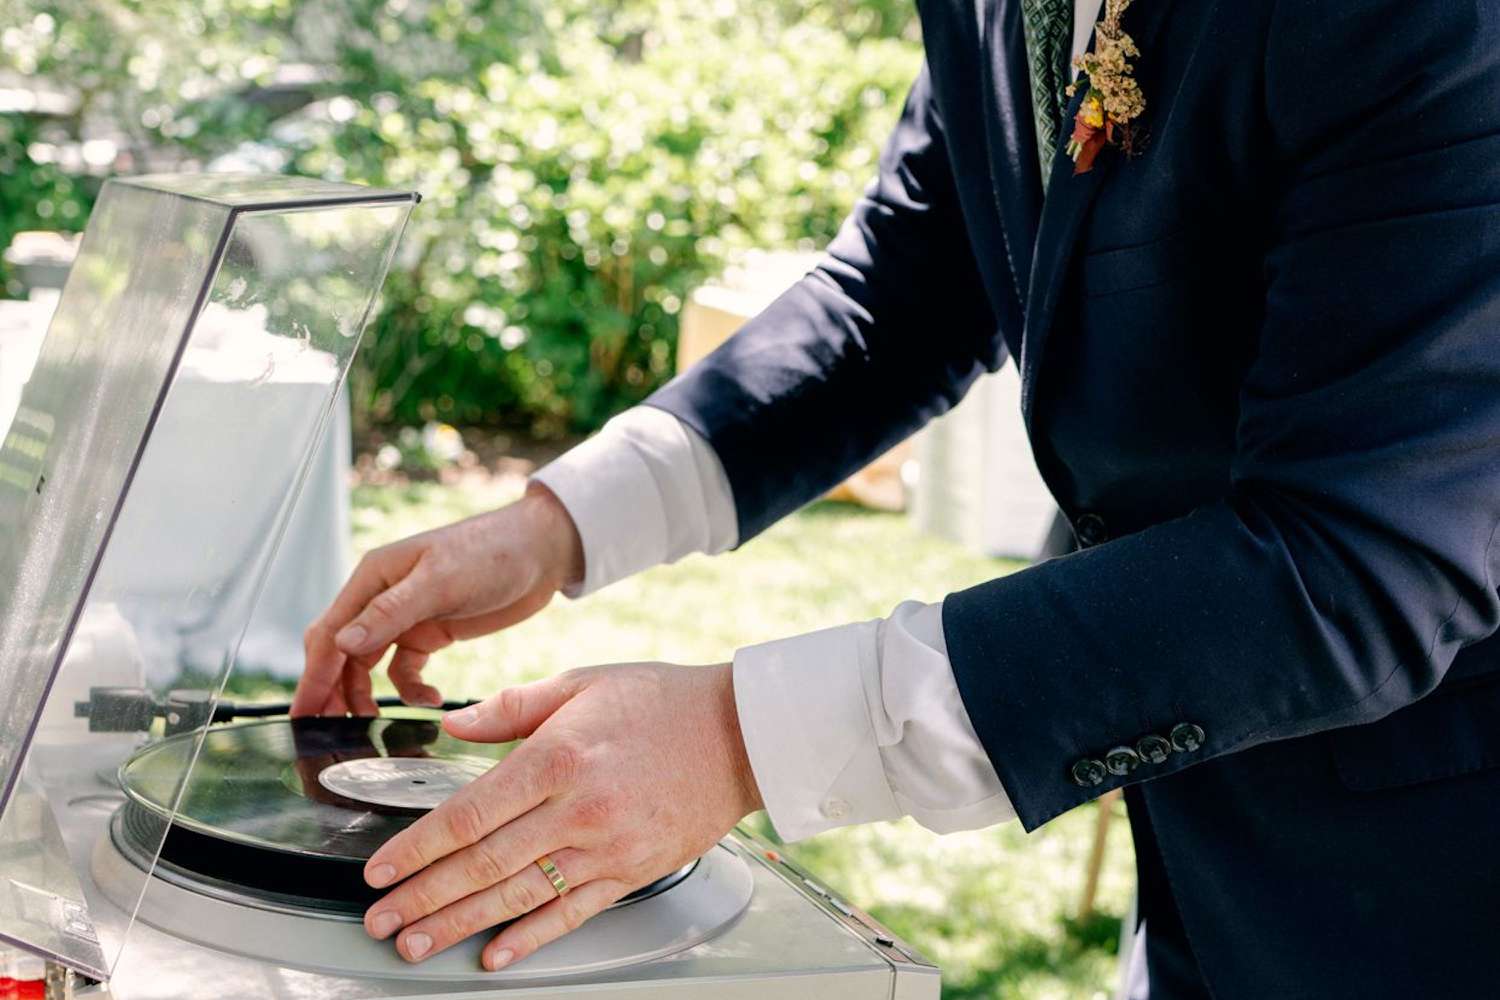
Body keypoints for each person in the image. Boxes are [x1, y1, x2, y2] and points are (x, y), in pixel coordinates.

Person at [292, 0, 1500, 995]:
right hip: (1210, 851)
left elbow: (1356, 558)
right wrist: (551, 525)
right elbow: (904, 290)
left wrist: (740, 735)